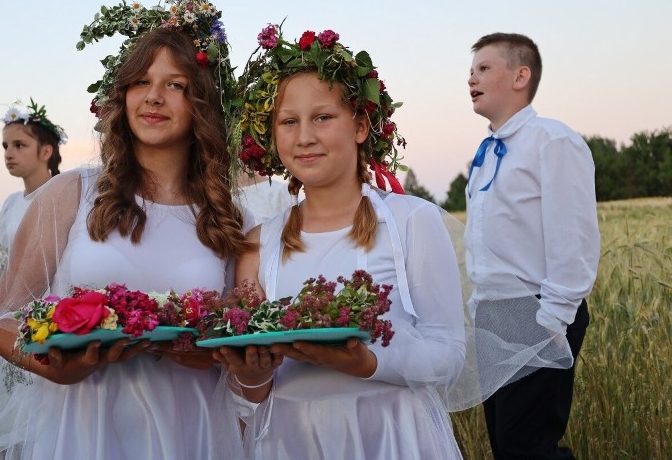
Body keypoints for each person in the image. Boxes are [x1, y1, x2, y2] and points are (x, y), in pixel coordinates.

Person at [0, 2, 252, 458]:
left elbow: (247, 350)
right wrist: (53, 368)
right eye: (141, 82)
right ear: (123, 95)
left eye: (176, 85)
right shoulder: (70, 194)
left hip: (191, 429)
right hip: (82, 425)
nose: (154, 97)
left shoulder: (229, 216)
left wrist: (215, 355)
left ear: (202, 104)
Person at [214, 25, 466, 459]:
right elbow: (251, 395)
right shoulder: (259, 244)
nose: (305, 136)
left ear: (361, 126)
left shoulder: (412, 223)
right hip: (291, 440)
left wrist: (369, 363)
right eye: (289, 122)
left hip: (391, 434)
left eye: (323, 117)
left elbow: (448, 355)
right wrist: (252, 377)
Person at [465, 32, 600, 459]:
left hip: (537, 311)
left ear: (521, 75)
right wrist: (479, 309)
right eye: (470, 71)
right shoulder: (486, 153)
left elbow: (572, 234)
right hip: (494, 313)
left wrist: (552, 318)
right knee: (507, 446)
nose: (471, 78)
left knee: (531, 448)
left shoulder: (552, 141)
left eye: (484, 68)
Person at [0, 98, 65, 249]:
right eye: (5, 146)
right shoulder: (11, 203)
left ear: (46, 152)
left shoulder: (62, 198)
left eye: (19, 145)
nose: (8, 154)